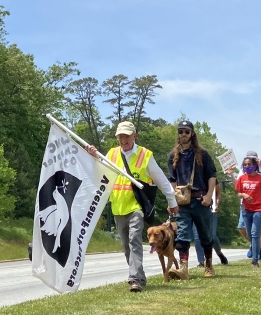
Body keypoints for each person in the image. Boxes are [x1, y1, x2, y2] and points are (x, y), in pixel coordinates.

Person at [86, 121, 178, 292]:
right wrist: (94, 157)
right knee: (126, 246)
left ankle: (134, 279)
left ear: (134, 136)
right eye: (120, 136)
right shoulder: (112, 154)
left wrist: (172, 202)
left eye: (127, 136)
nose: (123, 140)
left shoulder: (145, 155)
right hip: (118, 207)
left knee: (134, 239)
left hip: (136, 207)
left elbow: (161, 180)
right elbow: (100, 173)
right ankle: (140, 276)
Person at [168, 121, 219, 276]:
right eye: (181, 131)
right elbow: (172, 180)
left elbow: (212, 176)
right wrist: (171, 200)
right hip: (182, 202)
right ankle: (183, 268)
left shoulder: (202, 154)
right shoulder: (172, 156)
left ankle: (208, 265)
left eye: (186, 132)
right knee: (182, 234)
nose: (183, 134)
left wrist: (210, 196)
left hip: (200, 199)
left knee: (205, 235)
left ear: (192, 134)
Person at [234, 151, 261, 266]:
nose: (247, 167)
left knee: (254, 233)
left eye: (249, 164)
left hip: (259, 209)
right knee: (248, 232)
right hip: (246, 209)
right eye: (245, 165)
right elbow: (238, 193)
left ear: (255, 165)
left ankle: (255, 260)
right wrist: (244, 195)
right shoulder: (242, 178)